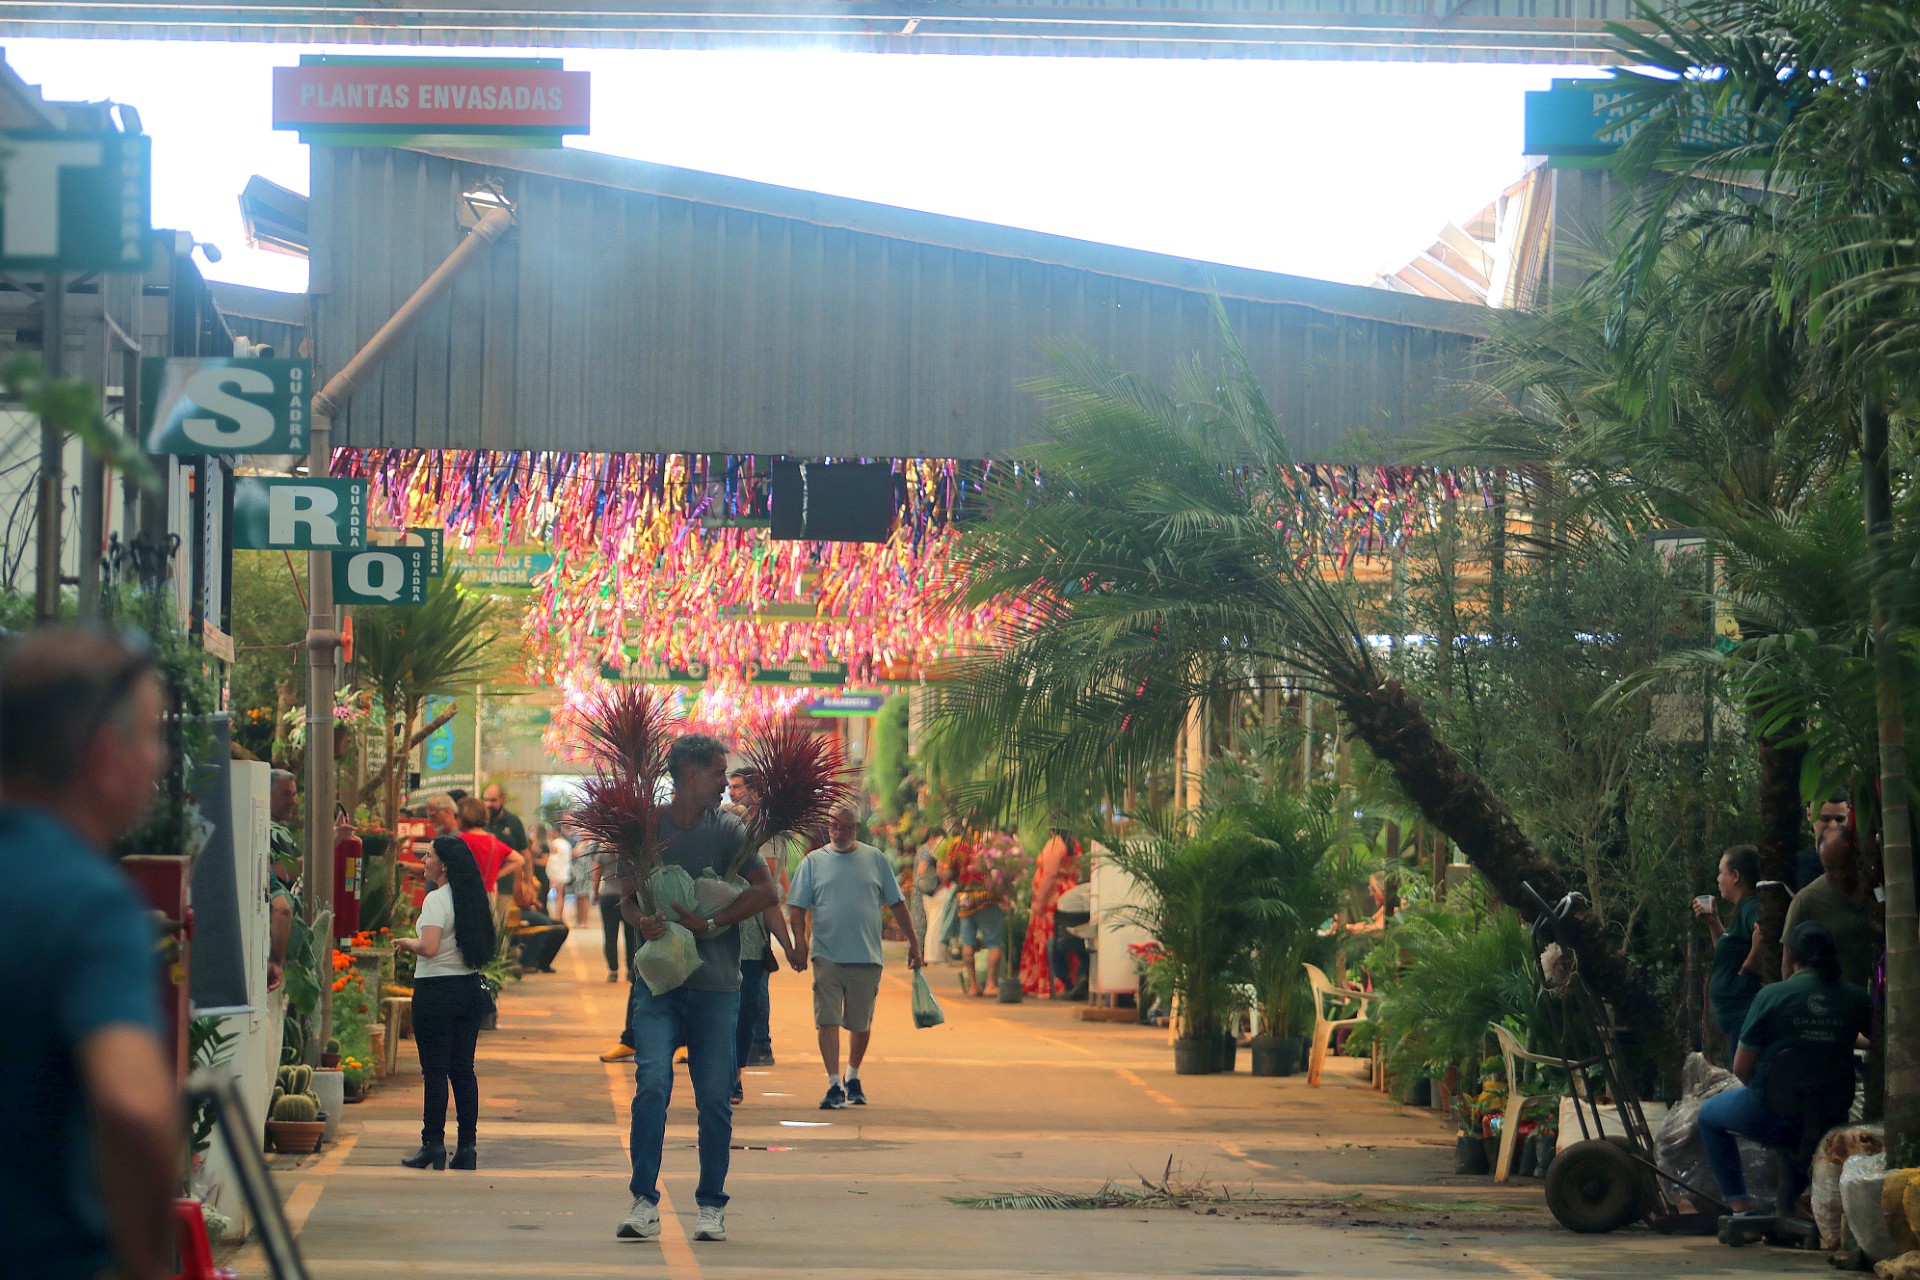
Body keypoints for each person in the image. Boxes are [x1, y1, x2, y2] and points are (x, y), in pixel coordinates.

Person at [0, 627, 181, 1280]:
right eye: (154, 736)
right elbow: (131, 1104)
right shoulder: (87, 903)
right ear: (107, 757)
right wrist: (147, 1263)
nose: (160, 761)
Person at [613, 734, 778, 1246]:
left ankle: (711, 1205)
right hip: (659, 985)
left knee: (713, 1098)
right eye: (716, 772)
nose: (724, 783)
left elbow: (766, 892)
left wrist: (714, 922)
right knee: (653, 1085)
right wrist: (644, 920)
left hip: (715, 986)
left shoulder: (731, 830)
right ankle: (643, 1201)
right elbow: (625, 900)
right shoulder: (643, 830)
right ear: (689, 775)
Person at [1697, 921, 1870, 1215]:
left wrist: (1767, 1093)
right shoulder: (1855, 998)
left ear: (1788, 954)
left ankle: (1740, 1210)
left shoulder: (1772, 996)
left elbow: (1741, 1067)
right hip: (1833, 1111)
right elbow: (1876, 1042)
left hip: (1773, 1112)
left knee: (1707, 1116)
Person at [787, 805, 923, 1110]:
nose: (839, 833)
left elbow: (897, 904)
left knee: (860, 1023)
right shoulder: (814, 862)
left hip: (866, 955)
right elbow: (797, 907)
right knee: (827, 1019)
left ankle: (853, 1075)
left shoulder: (875, 859)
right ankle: (834, 1083)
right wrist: (800, 942)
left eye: (846, 828)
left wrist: (914, 944)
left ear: (856, 829)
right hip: (827, 955)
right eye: (834, 827)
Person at [392, 835, 497, 1170]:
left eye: (429, 856)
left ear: (445, 865)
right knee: (463, 1070)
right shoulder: (473, 900)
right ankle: (467, 1147)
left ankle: (433, 1144)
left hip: (435, 991)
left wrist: (407, 941)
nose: (424, 861)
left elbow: (430, 947)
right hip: (468, 991)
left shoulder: (436, 900)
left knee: (435, 1072)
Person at [725, 772, 796, 1090]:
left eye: (738, 787)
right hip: (721, 939)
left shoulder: (767, 835)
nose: (731, 791)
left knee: (747, 1004)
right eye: (729, 786)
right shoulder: (733, 835)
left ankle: (747, 1060)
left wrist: (790, 944)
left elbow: (766, 893)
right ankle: (729, 1069)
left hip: (751, 940)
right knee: (726, 1008)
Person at [1784, 818, 1878, 988]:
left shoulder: (1876, 887)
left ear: (1856, 855)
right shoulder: (1807, 900)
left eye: (1845, 865)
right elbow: (1789, 960)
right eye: (1830, 869)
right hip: (1832, 1004)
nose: (1840, 875)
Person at [1696, 844, 1765, 1061]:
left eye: (1721, 872)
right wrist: (1713, 923)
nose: (1718, 879)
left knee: (1744, 1080)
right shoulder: (1742, 908)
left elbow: (1764, 930)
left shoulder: (1751, 905)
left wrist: (1751, 963)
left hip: (1744, 1018)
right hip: (1737, 1022)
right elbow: (1729, 956)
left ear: (1735, 876)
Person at [1022, 827, 1082, 995]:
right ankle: (1071, 981)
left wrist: (1039, 902)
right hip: (1069, 894)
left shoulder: (1055, 844)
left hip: (1052, 898)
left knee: (1047, 937)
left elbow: (1049, 874)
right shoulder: (1074, 844)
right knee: (1065, 935)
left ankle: (1051, 982)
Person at [950, 833, 1007, 997]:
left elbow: (948, 871)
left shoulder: (958, 844)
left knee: (968, 941)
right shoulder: (991, 842)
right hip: (987, 898)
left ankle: (973, 985)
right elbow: (1001, 871)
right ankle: (990, 984)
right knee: (994, 942)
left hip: (965, 899)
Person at [1793, 790, 1851, 893]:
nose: (1833, 825)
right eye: (1825, 819)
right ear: (1809, 814)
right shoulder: (1796, 864)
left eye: (1839, 819)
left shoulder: (1861, 861)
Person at [1049, 879, 1093, 1000]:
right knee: (1088, 944)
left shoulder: (1065, 897)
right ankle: (1084, 976)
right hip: (1087, 941)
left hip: (1063, 942)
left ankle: (1067, 984)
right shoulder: (1096, 896)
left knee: (1050, 944)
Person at [907, 826, 946, 951]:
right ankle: (919, 952)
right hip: (923, 890)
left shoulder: (924, 848)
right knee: (921, 923)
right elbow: (921, 869)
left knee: (921, 922)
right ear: (933, 837)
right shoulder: (927, 850)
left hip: (921, 889)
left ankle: (919, 952)